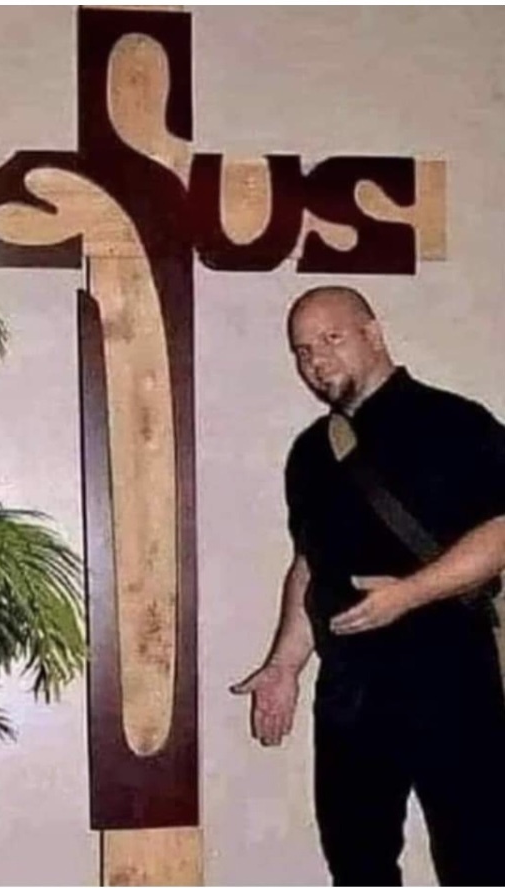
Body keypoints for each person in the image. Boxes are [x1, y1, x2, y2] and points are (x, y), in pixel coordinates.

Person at [230, 285, 505, 887]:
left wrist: (409, 594)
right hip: (351, 688)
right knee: (357, 865)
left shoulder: (455, 422)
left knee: (478, 860)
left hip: (450, 676)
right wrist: (284, 665)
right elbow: (310, 565)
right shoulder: (310, 453)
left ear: (373, 334)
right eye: (303, 350)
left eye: (331, 339)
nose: (316, 360)